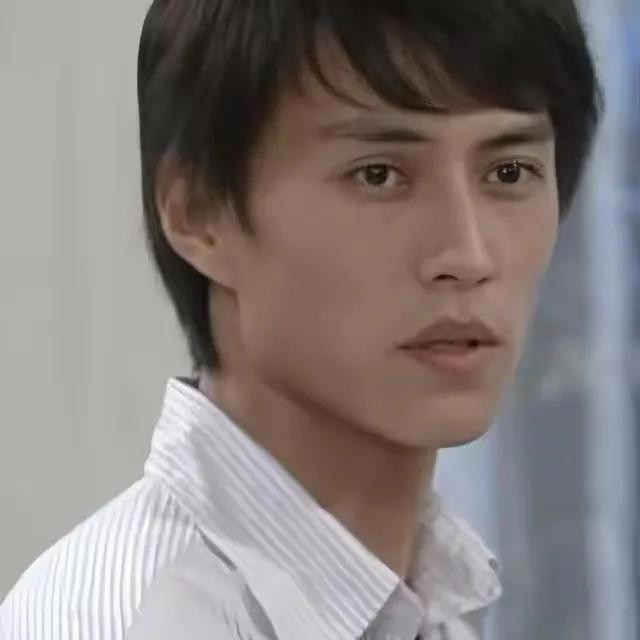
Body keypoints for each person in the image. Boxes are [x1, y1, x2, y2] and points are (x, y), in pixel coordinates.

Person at [0, 0, 601, 638]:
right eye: (378, 175)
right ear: (198, 213)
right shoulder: (122, 621)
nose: (468, 256)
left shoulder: (431, 605)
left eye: (509, 172)